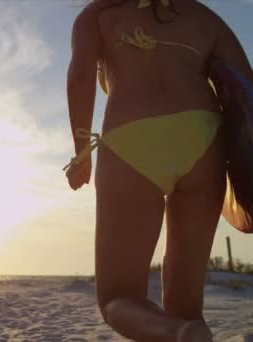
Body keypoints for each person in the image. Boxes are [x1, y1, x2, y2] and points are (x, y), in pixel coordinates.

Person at [65, 0, 253, 340]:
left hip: (131, 139)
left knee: (117, 298)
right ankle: (187, 326)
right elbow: (247, 88)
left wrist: (82, 153)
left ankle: (181, 332)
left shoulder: (96, 16)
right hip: (204, 140)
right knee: (186, 301)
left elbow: (80, 75)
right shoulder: (204, 17)